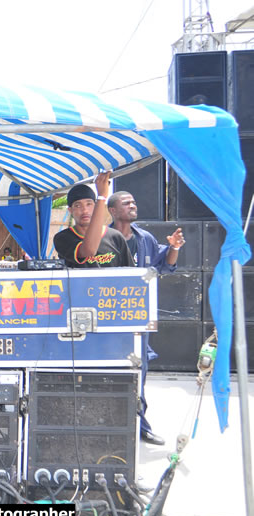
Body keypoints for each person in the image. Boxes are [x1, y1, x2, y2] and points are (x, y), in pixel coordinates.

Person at [108, 190, 185, 446]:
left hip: (139, 320)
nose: (133, 204)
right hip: (108, 321)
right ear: (112, 211)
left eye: (134, 201)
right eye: (126, 202)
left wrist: (173, 247)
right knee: (107, 374)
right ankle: (109, 428)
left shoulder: (146, 238)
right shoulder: (102, 238)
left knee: (137, 373)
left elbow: (165, 265)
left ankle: (140, 426)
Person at [53, 172, 132, 269]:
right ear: (70, 210)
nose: (84, 210)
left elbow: (130, 272)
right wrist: (102, 197)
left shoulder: (115, 237)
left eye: (89, 204)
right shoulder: (63, 238)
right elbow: (89, 251)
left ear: (95, 207)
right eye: (78, 205)